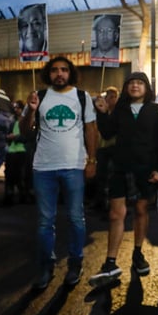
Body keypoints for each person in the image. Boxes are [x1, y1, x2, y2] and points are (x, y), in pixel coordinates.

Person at [19, 56, 98, 290]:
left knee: (75, 218)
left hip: (74, 165)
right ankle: (46, 265)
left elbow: (91, 129)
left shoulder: (82, 97)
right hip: (43, 167)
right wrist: (30, 111)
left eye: (64, 69)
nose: (59, 74)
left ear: (70, 72)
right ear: (48, 73)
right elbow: (25, 131)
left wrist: (91, 160)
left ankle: (75, 262)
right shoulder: (39, 97)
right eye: (54, 70)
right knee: (45, 221)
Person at [88, 72, 158, 285]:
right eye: (131, 83)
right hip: (121, 168)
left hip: (146, 170)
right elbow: (106, 133)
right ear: (126, 88)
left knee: (141, 210)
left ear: (146, 88)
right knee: (116, 214)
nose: (135, 86)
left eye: (139, 83)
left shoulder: (155, 111)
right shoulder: (120, 110)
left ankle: (137, 253)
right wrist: (103, 113)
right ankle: (110, 262)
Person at [88, 86, 119, 212]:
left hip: (113, 148)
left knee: (111, 178)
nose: (110, 99)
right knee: (100, 177)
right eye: (108, 96)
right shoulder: (98, 112)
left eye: (113, 96)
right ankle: (100, 201)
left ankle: (110, 204)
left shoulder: (118, 113)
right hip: (100, 147)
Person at [4, 100, 30, 206]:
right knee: (10, 174)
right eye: (14, 108)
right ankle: (10, 196)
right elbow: (8, 134)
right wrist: (9, 137)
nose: (16, 110)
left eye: (18, 108)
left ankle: (23, 196)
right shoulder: (12, 121)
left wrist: (16, 137)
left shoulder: (27, 120)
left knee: (21, 175)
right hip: (11, 150)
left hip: (22, 150)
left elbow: (29, 136)